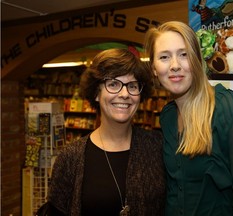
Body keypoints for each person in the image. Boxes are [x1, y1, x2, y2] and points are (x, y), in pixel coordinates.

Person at [144, 21, 233, 215]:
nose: (175, 65)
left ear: (197, 59)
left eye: (184, 55)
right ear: (153, 68)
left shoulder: (231, 110)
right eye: (164, 57)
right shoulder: (167, 116)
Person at [46, 48, 166, 216]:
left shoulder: (159, 146)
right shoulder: (70, 157)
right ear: (96, 93)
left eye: (132, 86)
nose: (125, 94)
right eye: (113, 84)